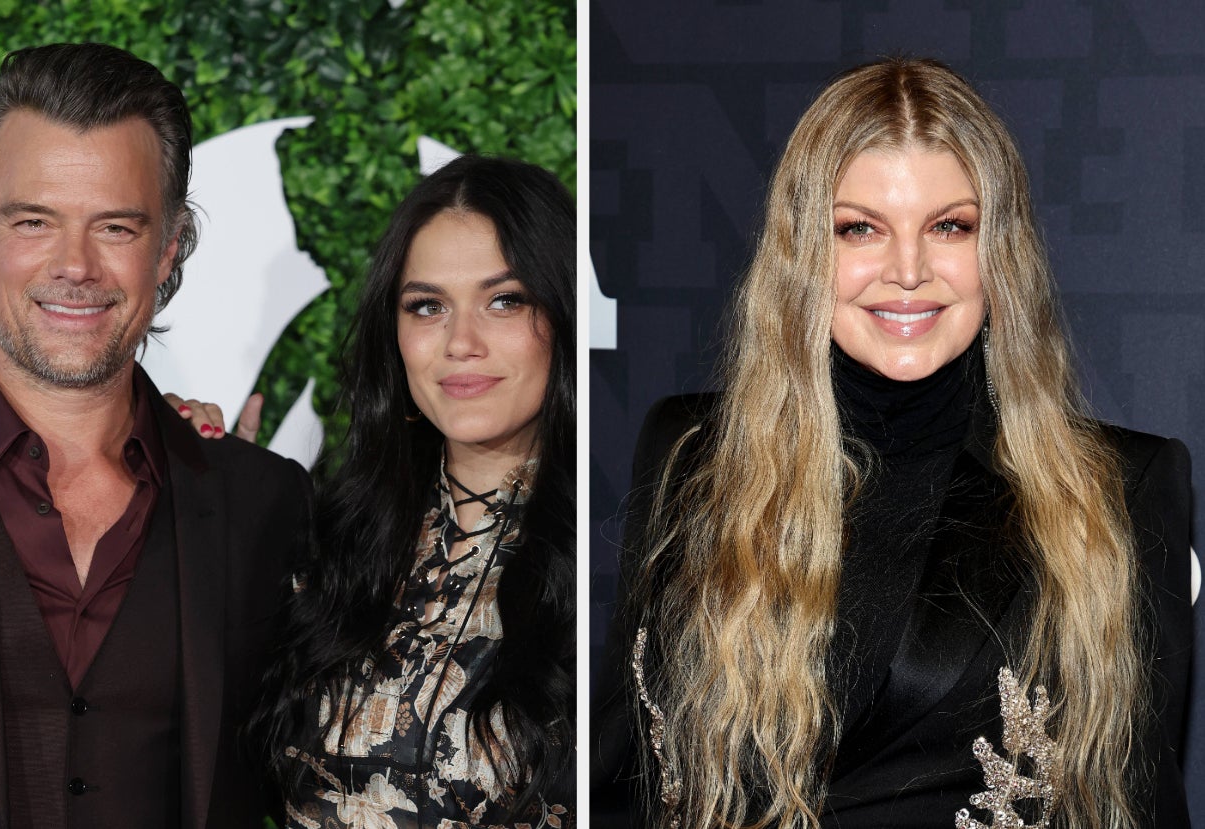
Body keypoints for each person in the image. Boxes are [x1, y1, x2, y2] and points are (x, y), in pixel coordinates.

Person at [595, 58, 1192, 828]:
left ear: (1000, 250)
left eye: (950, 226)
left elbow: (1142, 801)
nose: (908, 270)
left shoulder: (1122, 486)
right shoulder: (691, 452)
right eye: (860, 228)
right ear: (804, 252)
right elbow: (627, 774)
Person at [0, 43, 311, 827]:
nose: (75, 265)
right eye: (34, 221)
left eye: (116, 226)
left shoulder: (264, 505)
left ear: (169, 248)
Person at [212, 155, 575, 828]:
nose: (460, 342)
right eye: (427, 306)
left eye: (504, 300)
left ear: (561, 315)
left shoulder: (606, 548)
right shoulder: (330, 543)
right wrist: (202, 505)